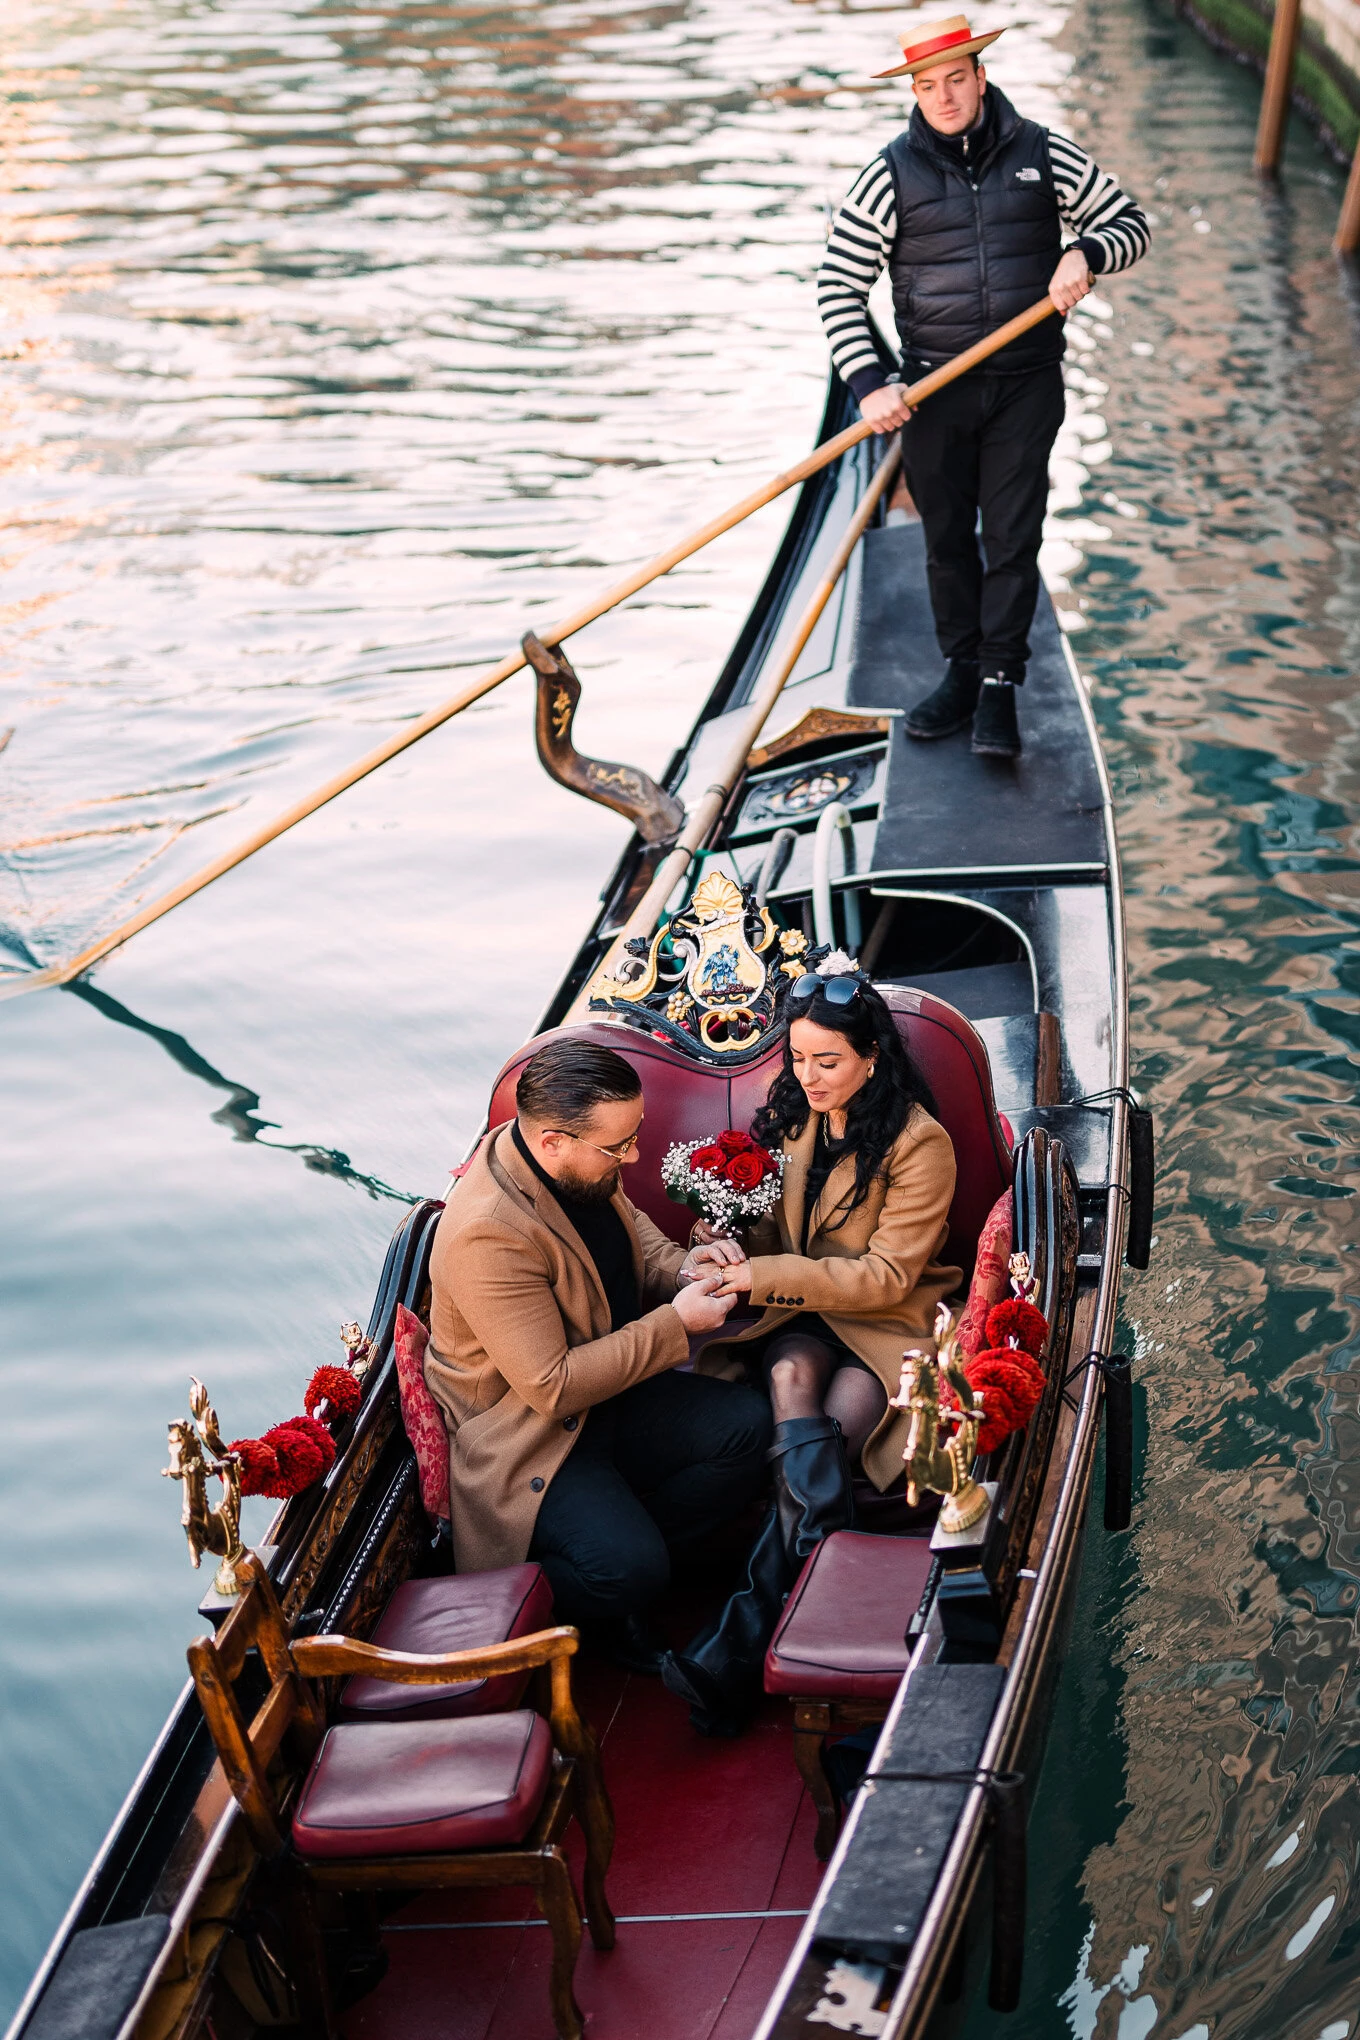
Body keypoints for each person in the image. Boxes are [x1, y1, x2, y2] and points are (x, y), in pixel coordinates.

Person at [817, 13, 1150, 758]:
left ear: (981, 78)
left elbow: (1131, 222)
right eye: (928, 85)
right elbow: (839, 284)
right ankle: (961, 671)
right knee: (945, 542)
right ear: (915, 90)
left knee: (1011, 535)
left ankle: (1000, 684)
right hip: (935, 389)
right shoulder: (888, 174)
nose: (944, 98)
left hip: (1026, 385)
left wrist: (1087, 250)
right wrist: (871, 383)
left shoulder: (1043, 153)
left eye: (955, 80)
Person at [660, 958, 960, 1731]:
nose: (809, 1075)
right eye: (797, 1058)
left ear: (872, 1057)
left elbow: (888, 1277)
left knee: (837, 1414)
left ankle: (741, 1640)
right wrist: (721, 1236)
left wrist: (762, 1273)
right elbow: (764, 1219)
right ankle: (803, 1593)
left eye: (828, 1061)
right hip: (795, 1314)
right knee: (792, 1371)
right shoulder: (792, 1110)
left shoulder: (920, 1144)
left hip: (883, 1321)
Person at [425, 1037, 772, 1671]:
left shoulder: (570, 1163)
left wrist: (682, 1267)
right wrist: (675, 1324)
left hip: (608, 1396)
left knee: (748, 1428)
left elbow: (630, 1228)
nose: (634, 1155)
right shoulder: (486, 1234)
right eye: (618, 1147)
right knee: (627, 1570)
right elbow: (552, 1387)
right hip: (529, 1434)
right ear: (553, 1141)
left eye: (633, 1135)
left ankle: (632, 1554)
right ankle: (594, 1595)